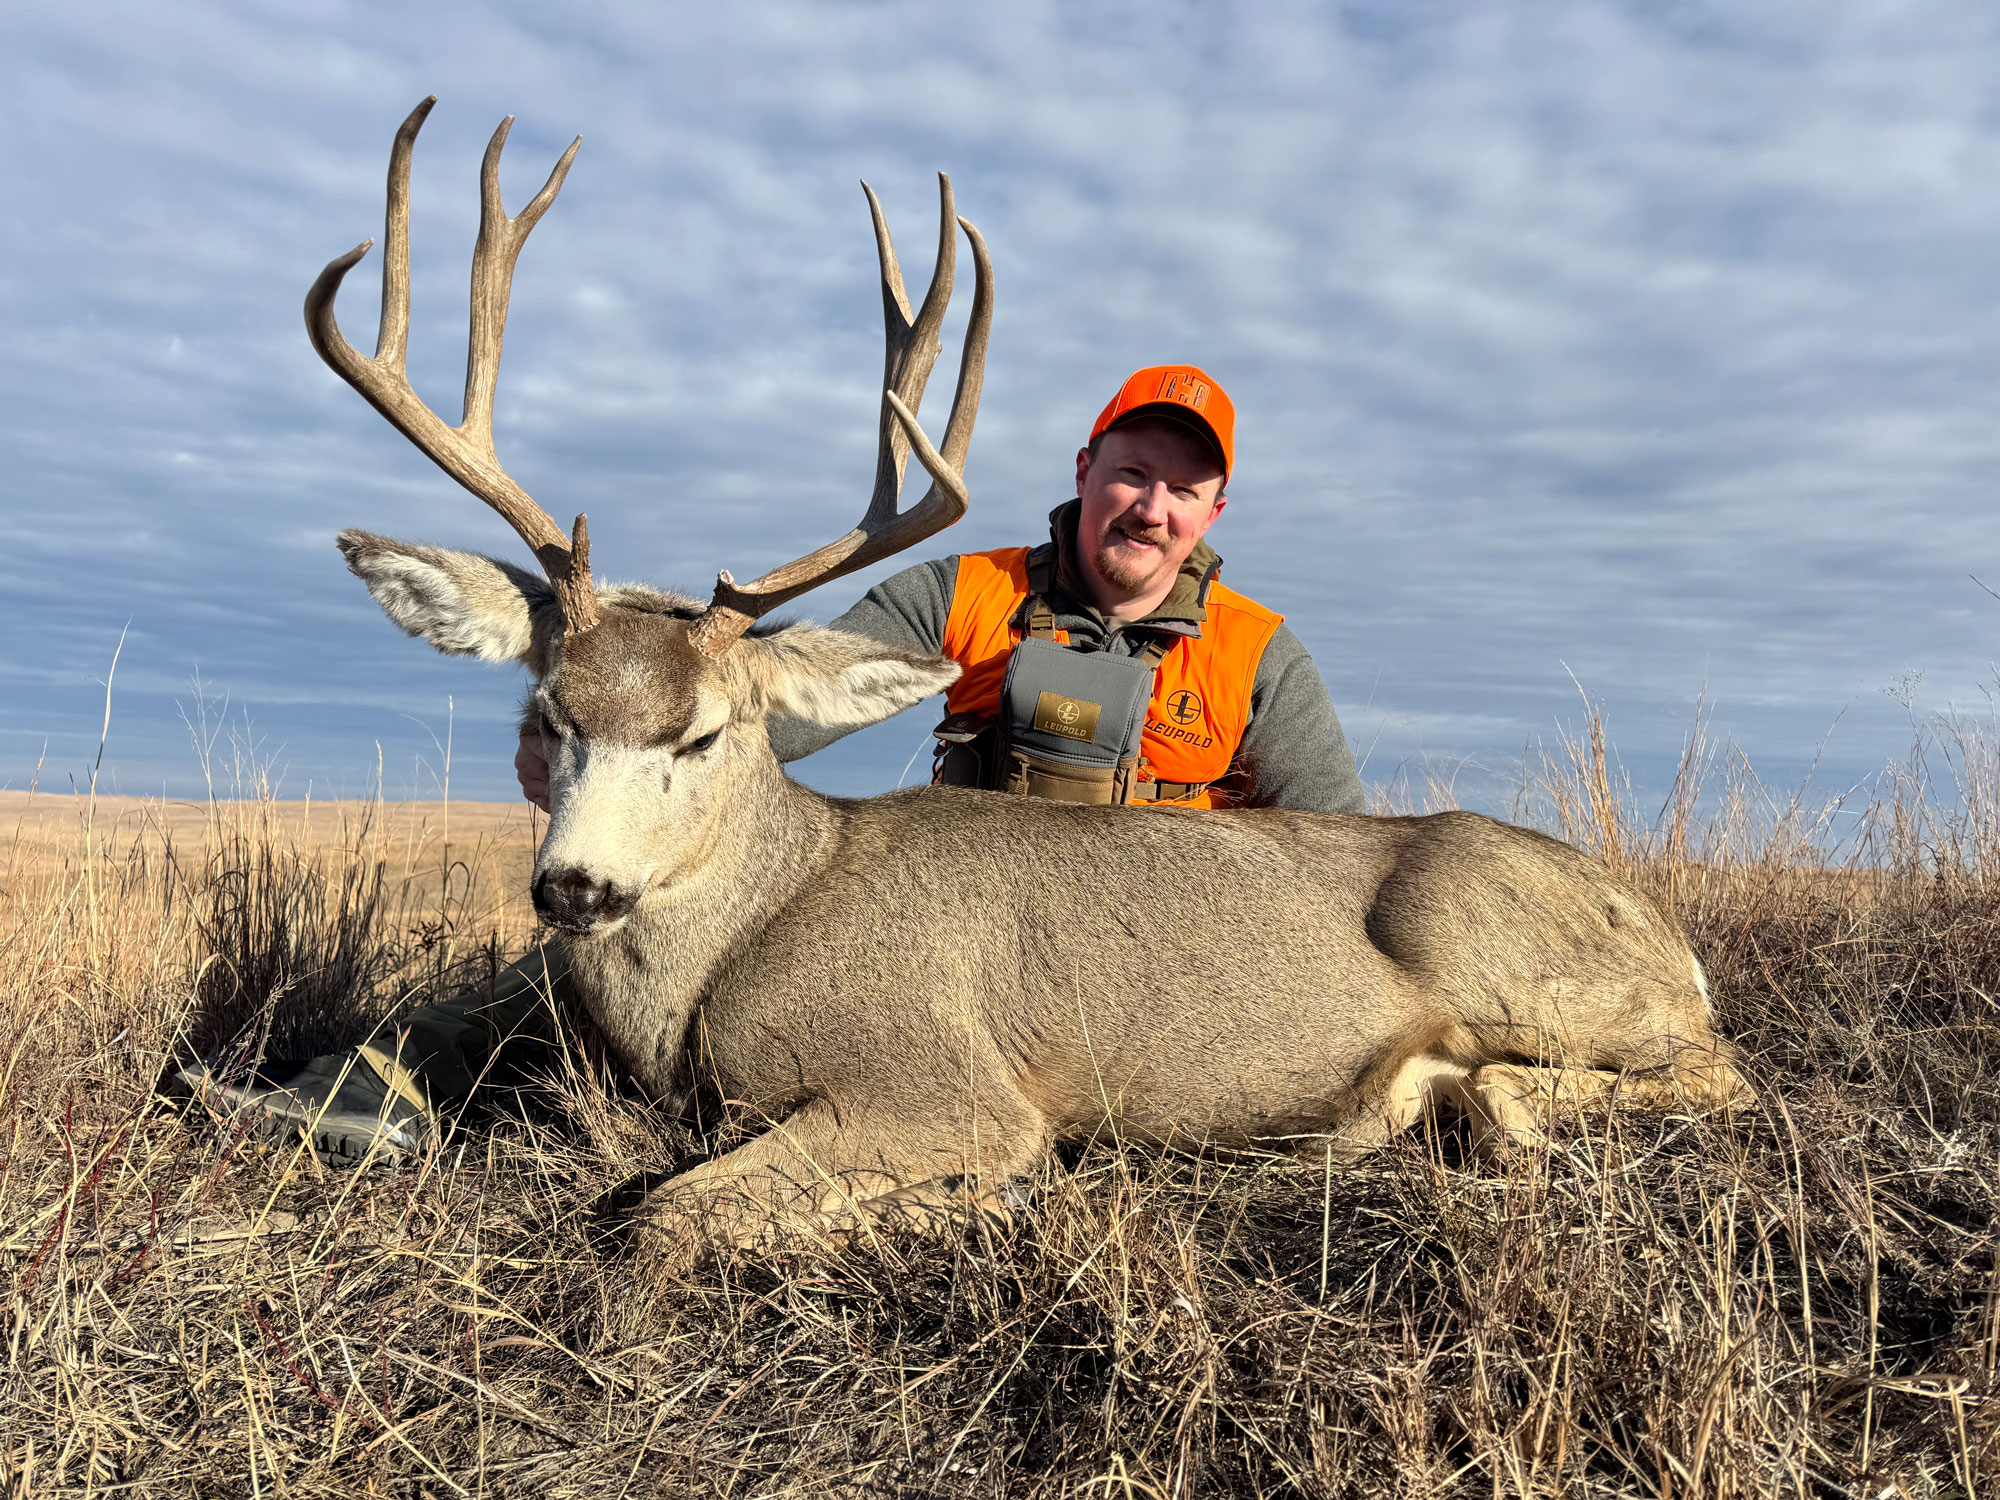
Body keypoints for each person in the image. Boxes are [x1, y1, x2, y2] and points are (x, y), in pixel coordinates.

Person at [172, 365, 1366, 1166]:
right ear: (1084, 467)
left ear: (1213, 508)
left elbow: (1325, 850)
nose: (1149, 506)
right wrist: (603, 729)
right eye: (1130, 473)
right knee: (608, 955)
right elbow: (756, 718)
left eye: (1181, 488)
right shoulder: (970, 593)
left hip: (1151, 940)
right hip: (956, 927)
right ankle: (371, 1088)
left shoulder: (1257, 653)